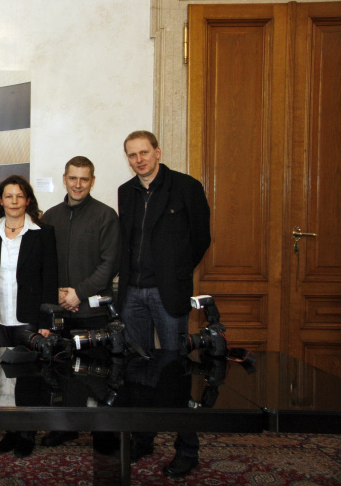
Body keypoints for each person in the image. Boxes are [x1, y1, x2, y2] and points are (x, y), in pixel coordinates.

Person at [117, 130, 211, 478]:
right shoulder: (126, 193)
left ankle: (187, 447)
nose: (138, 160)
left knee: (177, 373)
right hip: (133, 295)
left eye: (144, 152)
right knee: (137, 372)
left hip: (167, 293)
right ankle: (143, 438)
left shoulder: (186, 187)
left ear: (157, 152)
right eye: (131, 155)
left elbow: (202, 237)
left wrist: (178, 273)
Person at [0, 175, 58, 458]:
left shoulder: (43, 233)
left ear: (28, 200)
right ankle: (10, 430)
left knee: (29, 379)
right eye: (8, 196)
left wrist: (46, 323)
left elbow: (50, 280)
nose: (13, 201)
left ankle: (27, 434)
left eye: (19, 196)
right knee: (2, 379)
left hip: (29, 320)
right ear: (0, 201)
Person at [40, 155, 120, 447]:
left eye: (84, 179)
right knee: (63, 372)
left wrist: (78, 293)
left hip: (92, 311)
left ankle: (104, 432)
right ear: (64, 179)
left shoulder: (105, 215)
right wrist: (59, 294)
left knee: (96, 373)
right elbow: (44, 263)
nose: (78, 184)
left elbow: (110, 265)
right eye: (72, 178)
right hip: (60, 310)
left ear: (92, 181)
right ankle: (66, 427)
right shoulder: (50, 216)